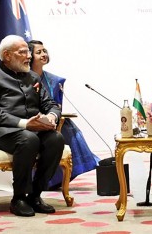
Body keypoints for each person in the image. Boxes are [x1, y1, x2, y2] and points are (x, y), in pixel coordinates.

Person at [0, 35, 65, 217]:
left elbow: (50, 104)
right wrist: (24, 124)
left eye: (28, 51)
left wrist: (51, 116)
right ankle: (19, 198)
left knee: (56, 139)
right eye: (23, 52)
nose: (29, 56)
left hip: (31, 130)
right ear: (7, 55)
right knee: (28, 138)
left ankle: (35, 195)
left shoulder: (32, 76)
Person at [28, 40, 99, 189]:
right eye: (38, 52)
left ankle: (62, 176)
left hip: (52, 119)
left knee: (68, 127)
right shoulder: (24, 78)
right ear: (30, 56)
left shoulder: (54, 80)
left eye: (44, 51)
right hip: (32, 121)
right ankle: (46, 180)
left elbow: (57, 106)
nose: (43, 54)